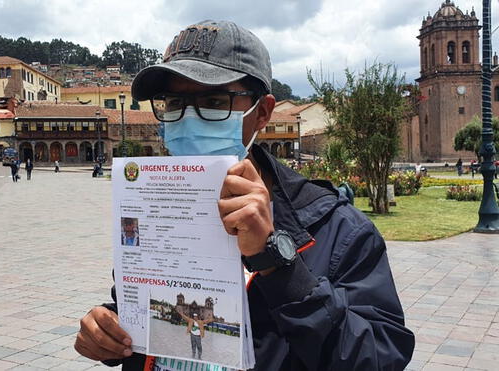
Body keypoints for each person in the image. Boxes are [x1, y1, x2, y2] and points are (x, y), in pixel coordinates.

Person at [74, 20, 414, 370]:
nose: (189, 117)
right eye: (175, 101)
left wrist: (279, 265)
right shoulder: (153, 206)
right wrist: (109, 329)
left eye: (214, 100)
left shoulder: (339, 229)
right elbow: (143, 312)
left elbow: (378, 358)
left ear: (263, 112)